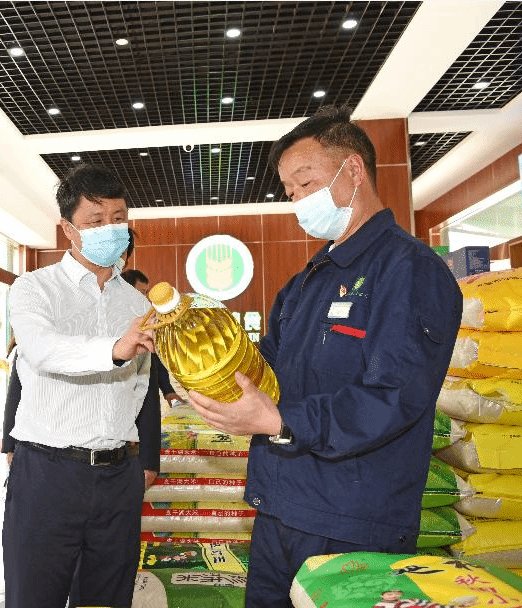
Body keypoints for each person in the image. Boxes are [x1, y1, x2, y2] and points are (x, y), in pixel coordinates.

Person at [188, 105, 462, 607]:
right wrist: (194, 353)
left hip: (352, 521)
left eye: (305, 182)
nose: (296, 199)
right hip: (279, 508)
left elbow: (394, 398)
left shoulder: (409, 270)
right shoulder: (305, 282)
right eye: (289, 191)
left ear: (353, 170)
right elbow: (264, 367)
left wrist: (280, 421)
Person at [3, 163, 154, 608]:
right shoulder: (34, 288)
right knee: (34, 597)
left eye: (118, 218)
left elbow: (140, 385)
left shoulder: (137, 302)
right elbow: (42, 349)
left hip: (119, 477)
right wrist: (115, 349)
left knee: (107, 599)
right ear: (68, 229)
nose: (110, 228)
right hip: (48, 474)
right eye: (95, 220)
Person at [120, 268, 185, 408]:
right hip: (122, 394)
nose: (145, 298)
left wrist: (168, 391)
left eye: (146, 293)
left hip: (149, 392)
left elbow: (155, 357)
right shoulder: (112, 321)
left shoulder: (147, 320)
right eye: (141, 293)